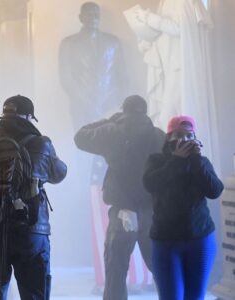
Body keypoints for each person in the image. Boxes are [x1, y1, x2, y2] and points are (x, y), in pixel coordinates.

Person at [0, 95, 67, 300]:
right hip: (33, 233)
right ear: (29, 117)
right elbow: (59, 174)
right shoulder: (42, 144)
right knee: (34, 294)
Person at [74, 95, 165, 300]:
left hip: (122, 209)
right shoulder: (158, 135)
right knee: (161, 268)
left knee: (116, 269)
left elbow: (80, 137)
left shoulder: (113, 131)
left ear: (124, 111)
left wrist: (111, 120)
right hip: (152, 209)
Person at [143, 115, 223, 300]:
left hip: (200, 238)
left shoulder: (201, 163)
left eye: (189, 135)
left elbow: (215, 191)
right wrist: (177, 160)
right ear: (168, 137)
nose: (184, 140)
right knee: (171, 297)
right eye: (178, 135)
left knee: (195, 296)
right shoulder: (156, 160)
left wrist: (196, 161)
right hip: (166, 240)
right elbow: (150, 184)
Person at [133, 0, 216, 156]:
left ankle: (179, 157)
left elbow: (181, 28)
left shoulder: (183, 2)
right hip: (168, 66)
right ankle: (170, 159)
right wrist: (145, 35)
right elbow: (164, 33)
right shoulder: (165, 3)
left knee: (172, 116)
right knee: (166, 117)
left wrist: (150, 18)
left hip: (179, 68)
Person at [59, 1, 126, 129]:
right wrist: (83, 100)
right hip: (81, 106)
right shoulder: (68, 43)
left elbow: (121, 74)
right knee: (82, 145)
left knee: (107, 146)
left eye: (96, 14)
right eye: (89, 14)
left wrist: (120, 102)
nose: (93, 17)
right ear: (81, 18)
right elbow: (66, 77)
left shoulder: (113, 42)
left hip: (109, 105)